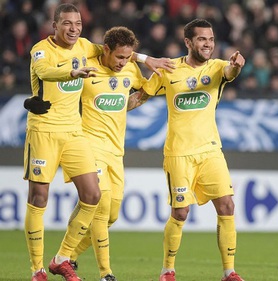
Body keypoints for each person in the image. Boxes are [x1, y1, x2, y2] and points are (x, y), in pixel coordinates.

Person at [23, 4, 173, 281]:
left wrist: (145, 59)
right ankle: (39, 270)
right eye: (67, 23)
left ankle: (63, 257)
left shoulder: (85, 48)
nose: (73, 28)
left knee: (94, 198)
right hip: (45, 130)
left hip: (74, 134)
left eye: (77, 23)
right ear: (54, 25)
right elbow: (43, 71)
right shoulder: (41, 49)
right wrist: (71, 73)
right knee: (39, 197)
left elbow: (119, 51)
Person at [132, 18, 246, 281]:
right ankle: (167, 269)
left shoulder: (218, 68)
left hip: (210, 152)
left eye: (211, 39)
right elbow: (142, 96)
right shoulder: (168, 69)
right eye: (202, 39)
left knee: (227, 205)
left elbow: (230, 73)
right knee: (180, 212)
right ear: (188, 42)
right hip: (179, 153)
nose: (208, 44)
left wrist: (236, 66)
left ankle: (229, 271)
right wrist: (110, 107)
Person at [66, 26, 168, 281]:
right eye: (119, 57)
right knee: (101, 208)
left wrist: (141, 94)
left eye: (128, 57)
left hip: (115, 151)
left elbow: (132, 99)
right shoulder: (87, 67)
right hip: (89, 146)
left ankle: (68, 256)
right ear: (107, 50)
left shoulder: (130, 71)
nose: (123, 62)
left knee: (112, 215)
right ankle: (106, 273)